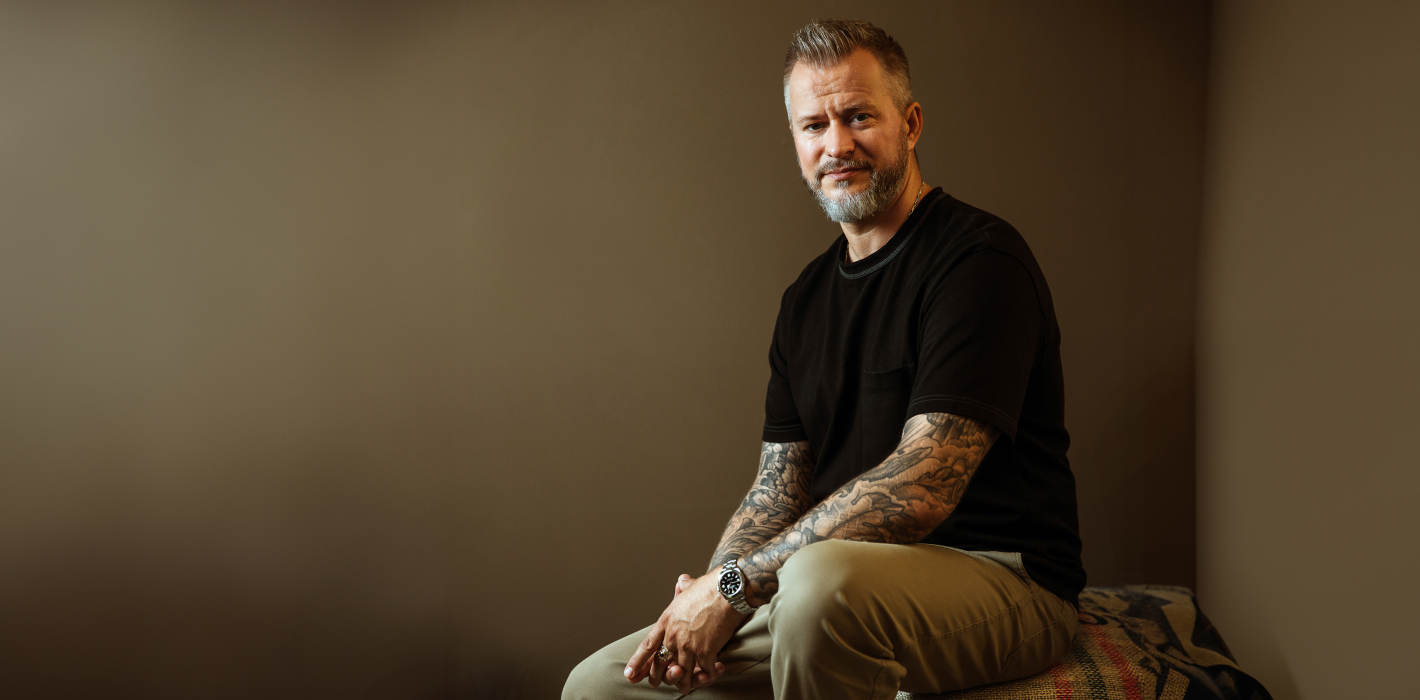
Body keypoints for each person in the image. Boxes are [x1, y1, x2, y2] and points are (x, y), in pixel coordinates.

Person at [564, 18, 1084, 700]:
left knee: (815, 587)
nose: (836, 145)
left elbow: (922, 488)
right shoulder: (805, 300)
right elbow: (777, 489)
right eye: (814, 125)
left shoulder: (978, 261)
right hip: (833, 589)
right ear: (796, 141)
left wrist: (738, 585)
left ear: (910, 124)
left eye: (859, 117)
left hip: (1004, 579)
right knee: (599, 687)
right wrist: (711, 597)